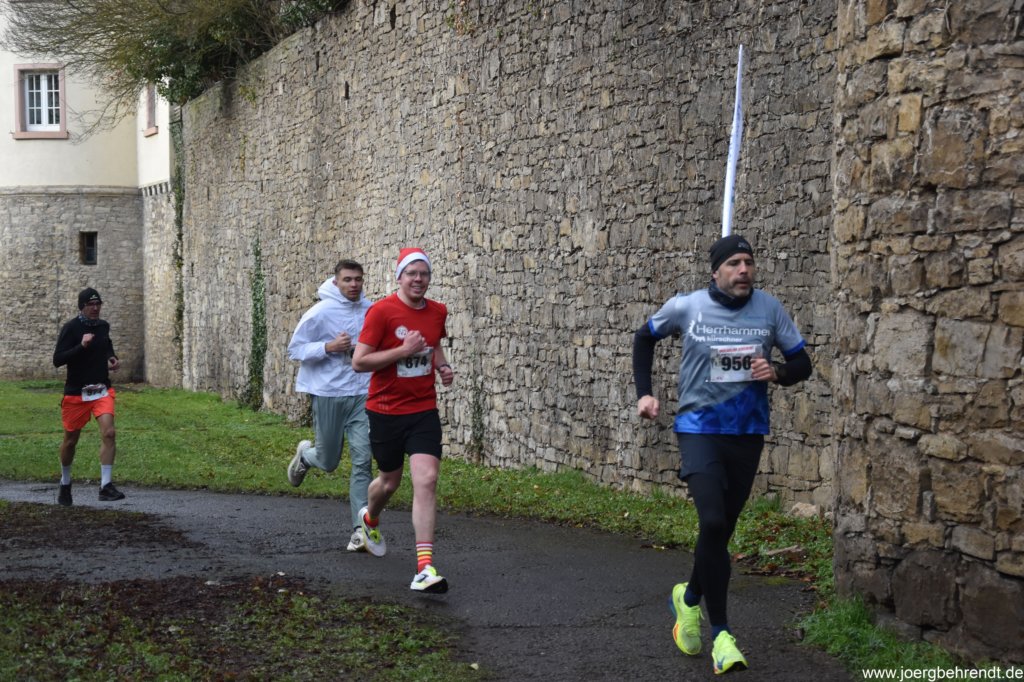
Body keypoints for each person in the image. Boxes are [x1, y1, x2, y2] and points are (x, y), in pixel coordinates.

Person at [632, 234, 812, 675]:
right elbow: (644, 338)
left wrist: (778, 372)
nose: (743, 269)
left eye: (748, 262)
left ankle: (689, 596)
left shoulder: (769, 309)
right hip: (699, 430)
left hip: (747, 433)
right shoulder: (687, 306)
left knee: (720, 533)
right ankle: (723, 636)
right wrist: (645, 394)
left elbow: (802, 364)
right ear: (716, 271)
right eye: (734, 263)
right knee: (712, 522)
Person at [351, 247, 455, 593]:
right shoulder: (382, 312)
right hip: (385, 411)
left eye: (424, 273)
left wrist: (442, 366)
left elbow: (433, 345)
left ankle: (424, 568)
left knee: (427, 479)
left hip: (423, 409)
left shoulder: (437, 311)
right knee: (389, 483)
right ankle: (369, 519)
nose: (418, 279)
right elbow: (359, 361)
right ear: (399, 277)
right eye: (411, 273)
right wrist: (402, 351)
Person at [287, 259, 374, 552]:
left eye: (358, 279)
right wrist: (328, 347)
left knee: (363, 459)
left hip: (362, 393)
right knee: (328, 461)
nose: (353, 285)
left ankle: (361, 530)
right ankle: (305, 456)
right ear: (336, 282)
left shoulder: (371, 311)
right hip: (328, 393)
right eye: (347, 279)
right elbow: (294, 349)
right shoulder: (320, 312)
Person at [52, 287, 125, 505]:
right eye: (90, 305)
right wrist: (81, 346)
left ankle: (106, 486)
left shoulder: (103, 326)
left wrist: (111, 358)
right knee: (70, 441)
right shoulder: (71, 328)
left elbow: (106, 346)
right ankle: (65, 483)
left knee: (109, 433)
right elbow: (58, 359)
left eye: (98, 304)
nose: (95, 308)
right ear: (82, 307)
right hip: (76, 393)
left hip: (101, 390)